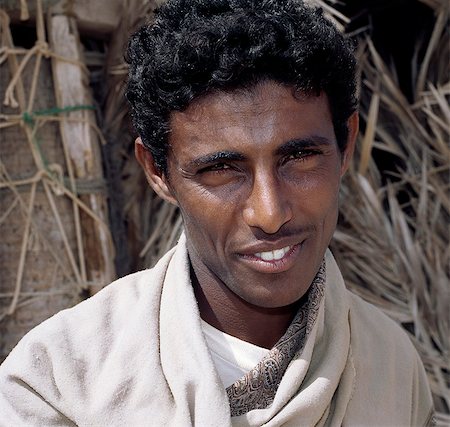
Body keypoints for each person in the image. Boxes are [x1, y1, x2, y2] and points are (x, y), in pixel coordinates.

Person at [0, 0, 434, 425]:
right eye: (222, 170)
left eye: (299, 156)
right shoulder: (60, 382)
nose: (269, 213)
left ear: (346, 144)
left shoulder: (394, 371)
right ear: (158, 172)